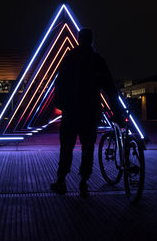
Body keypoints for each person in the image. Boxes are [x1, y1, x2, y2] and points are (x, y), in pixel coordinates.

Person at [51, 29, 123, 198]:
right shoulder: (97, 60)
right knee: (88, 147)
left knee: (66, 146)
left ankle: (61, 181)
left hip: (71, 111)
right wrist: (117, 112)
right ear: (91, 41)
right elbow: (110, 88)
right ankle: (84, 183)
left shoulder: (70, 58)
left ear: (78, 39)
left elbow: (59, 82)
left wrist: (61, 104)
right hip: (90, 112)